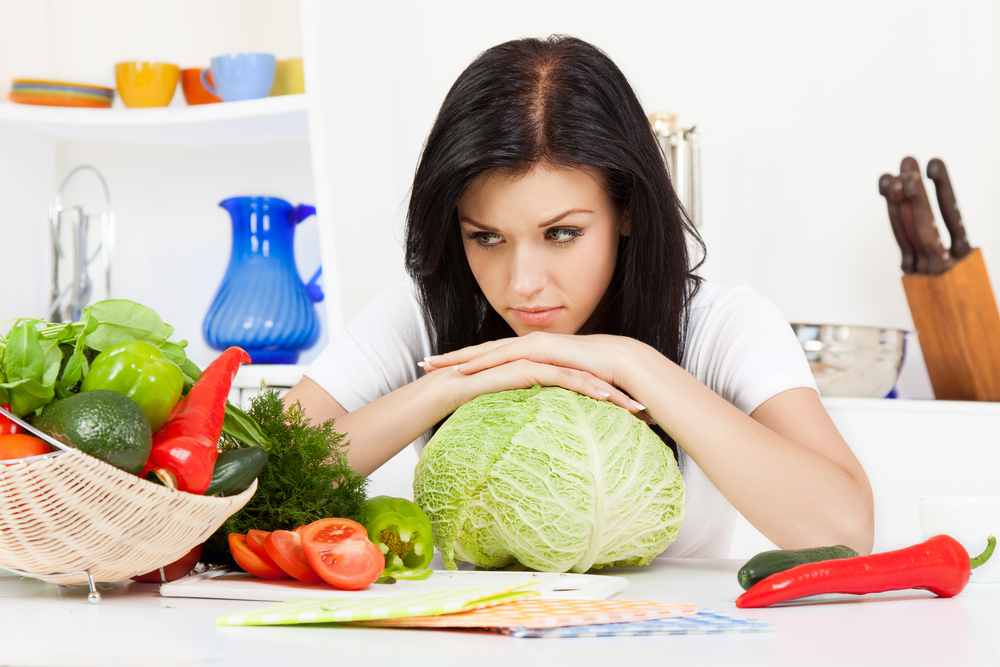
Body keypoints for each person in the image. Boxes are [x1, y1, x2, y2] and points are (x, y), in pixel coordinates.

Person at [285, 35, 874, 558]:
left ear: (628, 211)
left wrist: (633, 362)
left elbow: (845, 530)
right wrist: (448, 385)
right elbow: (241, 488)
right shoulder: (413, 319)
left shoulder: (727, 326)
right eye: (486, 237)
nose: (522, 283)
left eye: (561, 233)